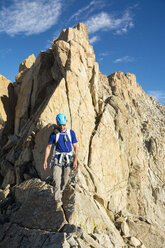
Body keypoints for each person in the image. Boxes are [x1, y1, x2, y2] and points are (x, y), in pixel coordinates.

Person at [43, 113, 78, 211]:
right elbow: (49, 147)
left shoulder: (71, 133)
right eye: (60, 125)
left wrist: (75, 160)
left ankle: (61, 191)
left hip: (68, 159)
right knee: (56, 179)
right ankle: (57, 200)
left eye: (64, 125)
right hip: (57, 159)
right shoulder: (54, 134)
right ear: (57, 124)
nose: (62, 127)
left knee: (65, 179)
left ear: (66, 123)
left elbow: (75, 147)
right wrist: (45, 160)